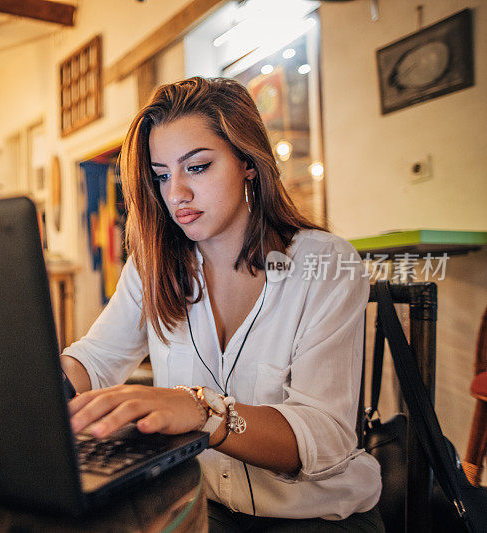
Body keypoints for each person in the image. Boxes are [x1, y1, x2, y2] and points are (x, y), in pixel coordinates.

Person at [61, 77, 383, 531]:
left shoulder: (324, 264)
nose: (176, 194)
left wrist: (203, 411)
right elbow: (96, 359)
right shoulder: (154, 265)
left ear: (247, 162)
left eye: (198, 167)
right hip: (202, 506)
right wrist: (38, 387)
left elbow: (325, 438)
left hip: (314, 515)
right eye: (162, 175)